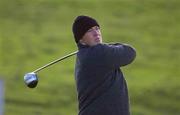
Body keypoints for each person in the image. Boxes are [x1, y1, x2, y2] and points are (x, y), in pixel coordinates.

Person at [72, 15, 136, 115]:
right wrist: (106, 47)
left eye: (97, 28)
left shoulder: (83, 56)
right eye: (89, 30)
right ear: (81, 40)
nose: (96, 33)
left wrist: (105, 47)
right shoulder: (99, 53)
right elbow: (130, 52)